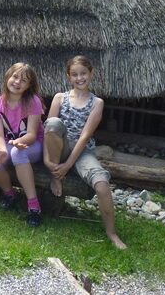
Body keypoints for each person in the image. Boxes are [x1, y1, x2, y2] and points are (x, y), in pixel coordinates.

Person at [43, 56, 126, 249]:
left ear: (91, 74)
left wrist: (68, 165)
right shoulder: (59, 98)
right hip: (59, 147)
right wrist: (48, 163)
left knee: (102, 183)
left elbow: (85, 136)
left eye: (83, 73)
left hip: (82, 151)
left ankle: (111, 233)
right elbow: (47, 132)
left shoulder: (97, 102)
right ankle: (55, 176)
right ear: (68, 76)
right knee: (53, 123)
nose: (79, 78)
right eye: (75, 74)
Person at [0, 63, 45, 227]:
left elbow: (32, 134)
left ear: (29, 86)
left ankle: (34, 206)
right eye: (15, 77)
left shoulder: (33, 101)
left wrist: (18, 143)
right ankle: (9, 194)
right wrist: (2, 150)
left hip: (32, 144)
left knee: (18, 153)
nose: (18, 82)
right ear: (8, 77)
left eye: (24, 80)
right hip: (9, 143)